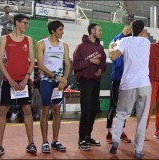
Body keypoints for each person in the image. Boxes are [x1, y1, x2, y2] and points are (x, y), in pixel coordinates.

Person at [0, 13, 37, 157]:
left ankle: (31, 143)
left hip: (24, 80)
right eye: (25, 23)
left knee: (27, 110)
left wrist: (26, 78)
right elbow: (0, 61)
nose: (27, 25)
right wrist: (10, 80)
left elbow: (32, 60)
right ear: (17, 23)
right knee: (2, 110)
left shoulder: (29, 40)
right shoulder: (4, 39)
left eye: (27, 23)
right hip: (9, 81)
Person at [108, 20, 151, 159]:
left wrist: (111, 47)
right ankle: (138, 151)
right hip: (144, 84)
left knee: (121, 114)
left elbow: (113, 57)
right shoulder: (147, 42)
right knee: (142, 118)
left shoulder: (125, 41)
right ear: (142, 30)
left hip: (128, 84)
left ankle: (115, 141)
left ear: (130, 29)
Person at [37, 20, 70, 153]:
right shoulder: (41, 44)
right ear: (53, 31)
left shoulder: (64, 45)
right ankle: (45, 142)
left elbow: (67, 64)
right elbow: (40, 65)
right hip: (46, 80)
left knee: (57, 110)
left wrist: (64, 80)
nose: (63, 32)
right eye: (60, 30)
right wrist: (56, 77)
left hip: (59, 82)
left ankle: (55, 140)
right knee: (45, 110)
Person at [72, 23, 107, 151]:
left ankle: (88, 136)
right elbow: (75, 65)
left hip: (96, 81)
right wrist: (90, 61)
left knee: (93, 110)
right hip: (85, 81)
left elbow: (103, 64)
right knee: (86, 109)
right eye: (99, 30)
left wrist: (100, 70)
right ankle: (81, 139)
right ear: (92, 31)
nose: (101, 32)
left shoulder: (100, 48)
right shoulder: (81, 47)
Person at [106, 24, 132, 144]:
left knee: (124, 108)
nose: (129, 29)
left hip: (127, 80)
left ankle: (121, 131)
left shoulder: (132, 40)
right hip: (116, 79)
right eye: (127, 27)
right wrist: (122, 34)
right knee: (113, 106)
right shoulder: (118, 39)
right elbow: (111, 50)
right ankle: (109, 132)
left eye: (131, 27)